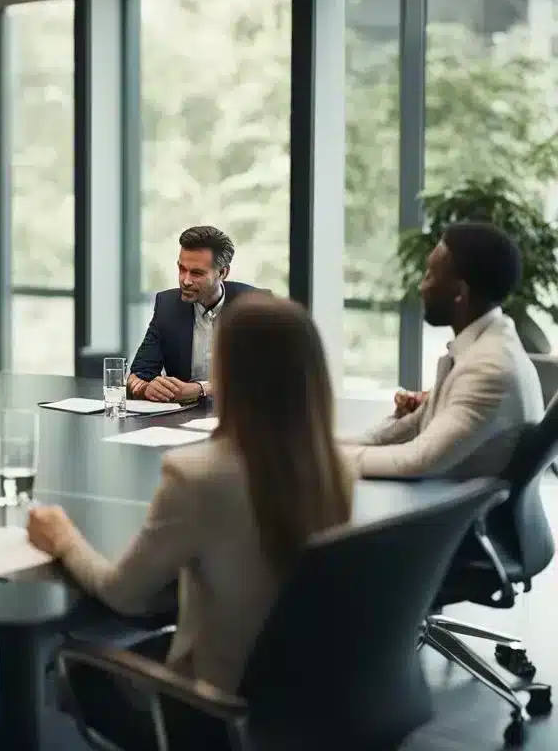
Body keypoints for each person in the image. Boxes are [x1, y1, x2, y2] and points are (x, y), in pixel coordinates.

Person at [28, 293, 354, 749]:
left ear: (231, 372)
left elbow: (126, 594)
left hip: (210, 709)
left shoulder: (200, 474)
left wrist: (62, 537)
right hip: (310, 696)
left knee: (77, 666)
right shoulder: (334, 465)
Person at [347, 222, 544, 480]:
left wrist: (320, 461)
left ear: (459, 292)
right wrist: (327, 448)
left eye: (429, 275)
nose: (421, 287)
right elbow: (414, 425)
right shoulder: (481, 344)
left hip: (460, 517)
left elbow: (415, 461)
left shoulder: (490, 368)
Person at [128, 226, 258, 403]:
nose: (185, 280)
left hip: (242, 418)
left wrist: (203, 389)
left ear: (222, 273)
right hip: (182, 419)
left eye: (196, 273)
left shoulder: (255, 305)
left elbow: (268, 378)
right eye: (182, 269)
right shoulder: (167, 305)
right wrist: (147, 389)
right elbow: (139, 374)